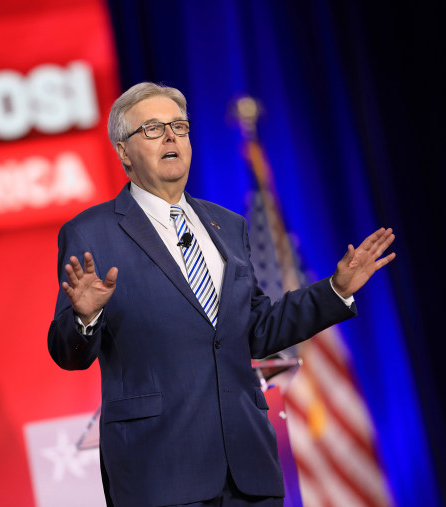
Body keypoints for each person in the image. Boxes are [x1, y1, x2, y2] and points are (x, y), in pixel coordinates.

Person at [47, 82, 395, 506]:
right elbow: (68, 353)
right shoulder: (91, 232)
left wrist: (335, 291)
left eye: (179, 126)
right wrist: (84, 318)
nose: (172, 137)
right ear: (123, 151)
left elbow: (257, 330)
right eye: (154, 129)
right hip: (160, 473)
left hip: (248, 470)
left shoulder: (226, 226)